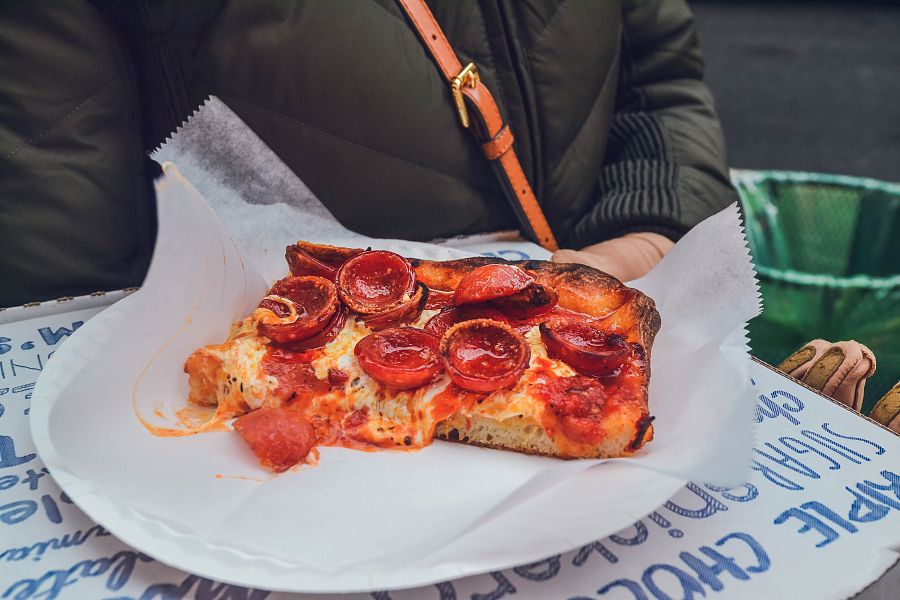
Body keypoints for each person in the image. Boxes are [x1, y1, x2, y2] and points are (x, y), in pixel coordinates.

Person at [0, 1, 882, 408]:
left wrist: (641, 241)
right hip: (268, 424)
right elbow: (64, 259)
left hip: (587, 348)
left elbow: (657, 74)